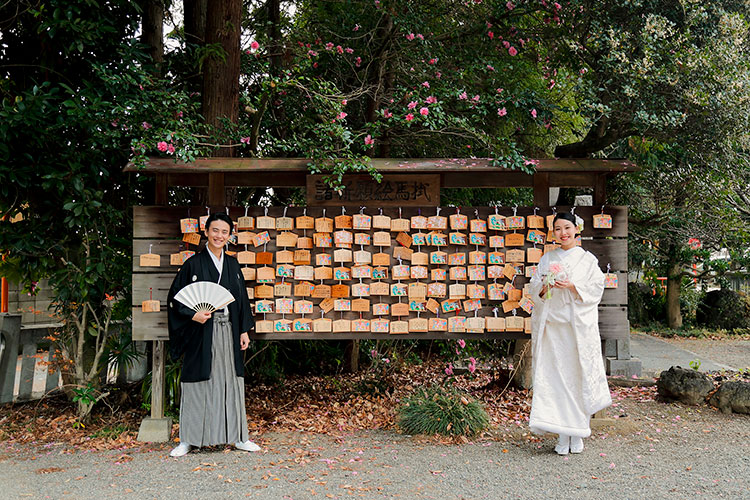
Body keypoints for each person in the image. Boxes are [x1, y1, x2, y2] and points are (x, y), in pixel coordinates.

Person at [166, 212, 260, 457]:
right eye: (215, 230)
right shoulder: (192, 265)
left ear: (230, 236)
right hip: (201, 331)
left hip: (228, 330)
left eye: (224, 232)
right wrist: (192, 315)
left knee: (231, 380)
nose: (219, 236)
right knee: (198, 381)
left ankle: (239, 436)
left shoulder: (232, 264)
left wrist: (243, 330)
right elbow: (175, 300)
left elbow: (241, 299)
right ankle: (188, 438)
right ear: (206, 232)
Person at [527, 211, 612, 455]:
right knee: (557, 381)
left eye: (567, 228)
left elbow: (596, 288)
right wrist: (546, 286)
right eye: (557, 229)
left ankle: (578, 431)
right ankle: (562, 435)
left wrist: (573, 285)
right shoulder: (547, 258)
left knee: (577, 378)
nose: (562, 233)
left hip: (576, 330)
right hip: (553, 328)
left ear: (577, 229)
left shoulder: (587, 260)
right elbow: (535, 290)